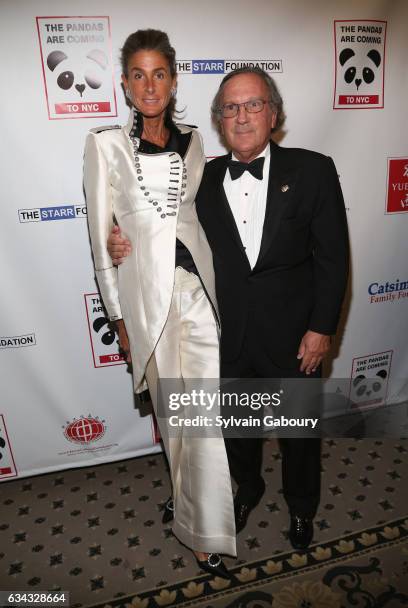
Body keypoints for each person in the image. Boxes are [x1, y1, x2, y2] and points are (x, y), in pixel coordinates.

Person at [107, 66, 349, 550]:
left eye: (253, 104)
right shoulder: (203, 175)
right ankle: (248, 489)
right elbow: (159, 219)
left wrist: (321, 329)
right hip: (227, 334)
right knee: (239, 432)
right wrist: (120, 240)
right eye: (230, 108)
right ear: (218, 120)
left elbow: (334, 257)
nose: (242, 116)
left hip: (294, 336)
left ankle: (302, 507)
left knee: (298, 437)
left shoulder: (313, 168)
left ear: (273, 113)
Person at [84, 29, 235, 578]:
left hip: (199, 292)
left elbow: (195, 216)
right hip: (149, 300)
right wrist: (118, 316)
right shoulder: (104, 144)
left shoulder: (194, 140)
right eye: (139, 75)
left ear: (173, 80)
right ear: (125, 84)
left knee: (205, 415)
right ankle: (192, 507)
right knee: (179, 419)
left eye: (160, 74)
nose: (150, 85)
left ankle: (205, 528)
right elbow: (102, 238)